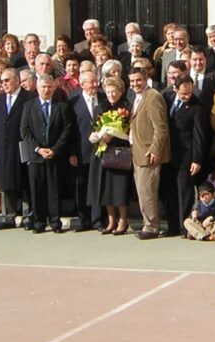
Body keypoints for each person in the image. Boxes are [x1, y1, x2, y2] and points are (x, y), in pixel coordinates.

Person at [20, 74, 73, 233]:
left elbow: (67, 129)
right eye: (43, 87)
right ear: (37, 88)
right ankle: (39, 222)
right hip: (36, 156)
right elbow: (25, 130)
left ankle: (55, 222)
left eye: (50, 87)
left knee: (54, 190)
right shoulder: (29, 106)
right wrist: (37, 148)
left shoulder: (61, 106)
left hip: (55, 155)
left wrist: (55, 149)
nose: (47, 90)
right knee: (37, 191)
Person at [162, 75, 207, 237]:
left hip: (186, 156)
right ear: (175, 89)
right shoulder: (166, 98)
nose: (187, 96)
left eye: (189, 92)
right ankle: (172, 226)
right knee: (169, 191)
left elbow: (199, 135)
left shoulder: (197, 106)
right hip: (167, 154)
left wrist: (197, 159)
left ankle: (184, 227)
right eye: (183, 94)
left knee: (184, 192)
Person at [129, 66, 170, 239]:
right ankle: (149, 223)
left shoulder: (153, 97)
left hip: (149, 154)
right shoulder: (136, 97)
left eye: (138, 80)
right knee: (142, 191)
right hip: (137, 152)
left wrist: (155, 149)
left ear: (146, 79)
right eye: (132, 81)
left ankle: (151, 226)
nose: (135, 84)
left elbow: (160, 127)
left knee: (147, 192)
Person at [88, 76, 132, 236]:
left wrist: (114, 134)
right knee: (105, 187)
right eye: (108, 91)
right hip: (104, 151)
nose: (111, 94)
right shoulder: (100, 107)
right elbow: (94, 126)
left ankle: (123, 220)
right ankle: (111, 220)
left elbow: (129, 130)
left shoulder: (126, 107)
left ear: (120, 91)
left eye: (114, 91)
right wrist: (95, 136)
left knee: (120, 188)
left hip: (120, 151)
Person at [0, 69, 32, 230]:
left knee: (25, 181)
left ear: (16, 80)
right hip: (4, 148)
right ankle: (8, 216)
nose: (4, 84)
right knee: (6, 181)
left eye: (7, 80)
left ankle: (28, 216)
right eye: (2, 81)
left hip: (22, 146)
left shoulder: (29, 98)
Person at [68, 69, 102, 232]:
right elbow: (70, 128)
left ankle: (97, 220)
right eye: (91, 82)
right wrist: (72, 152)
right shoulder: (73, 101)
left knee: (97, 186)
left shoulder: (102, 98)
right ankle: (84, 219)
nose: (95, 85)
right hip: (81, 150)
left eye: (96, 82)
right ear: (82, 84)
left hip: (100, 150)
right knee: (81, 186)